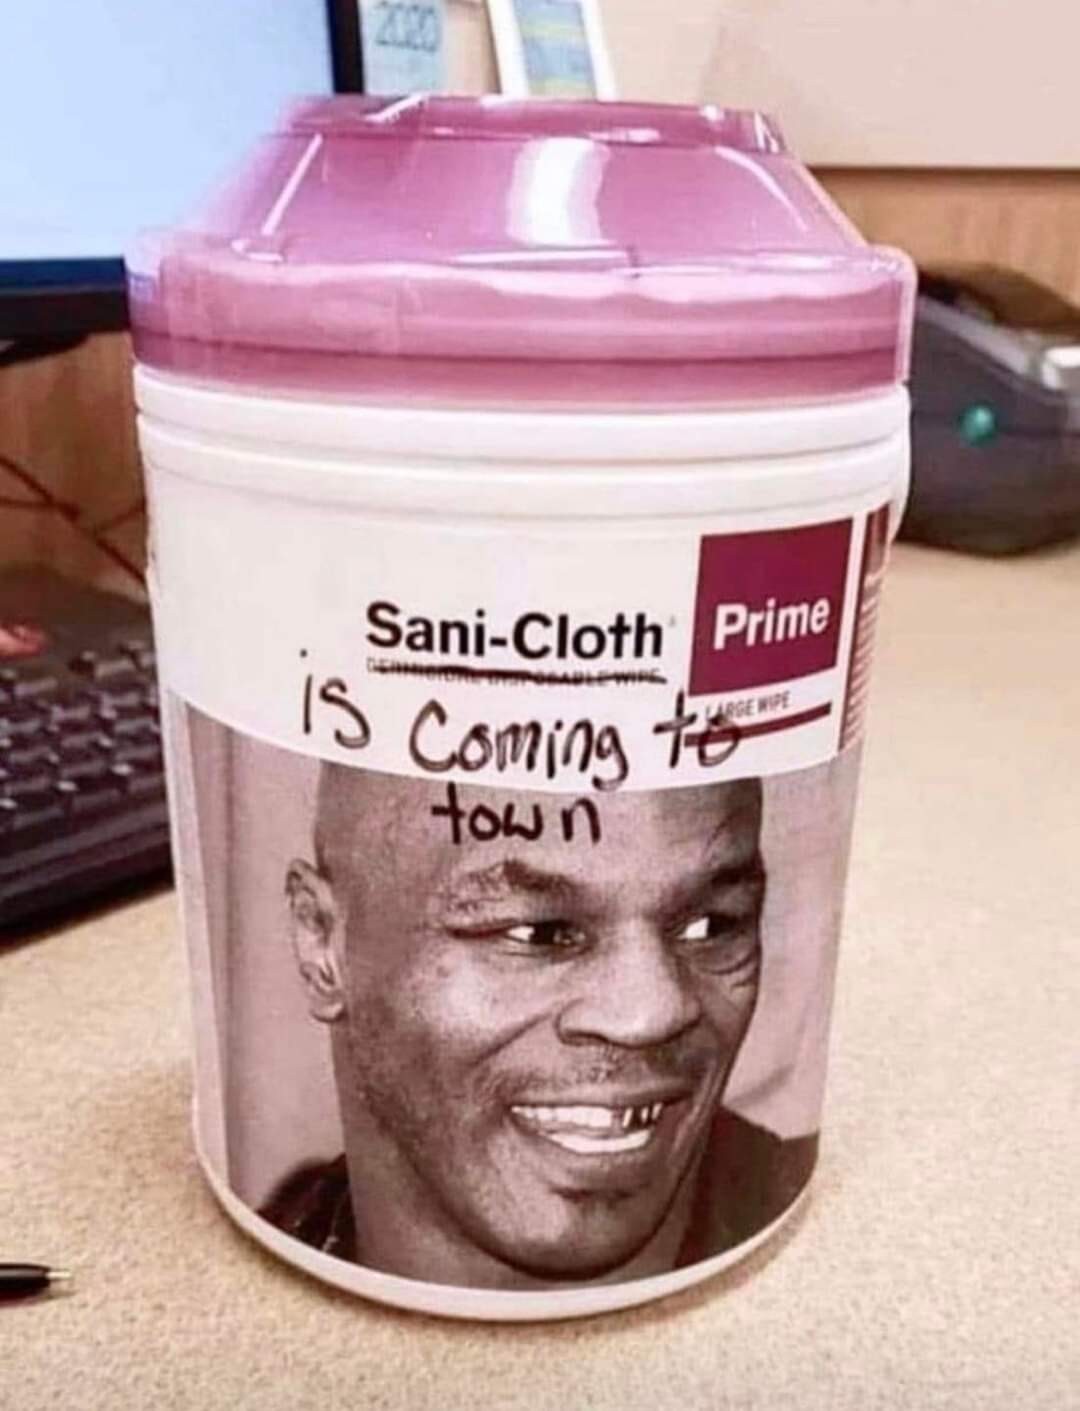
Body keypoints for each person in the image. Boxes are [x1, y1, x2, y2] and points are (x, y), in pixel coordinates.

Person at [266, 768, 816, 1289]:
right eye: (539, 934)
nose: (650, 1015)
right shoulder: (265, 1257)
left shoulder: (833, 1252)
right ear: (321, 944)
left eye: (711, 925)